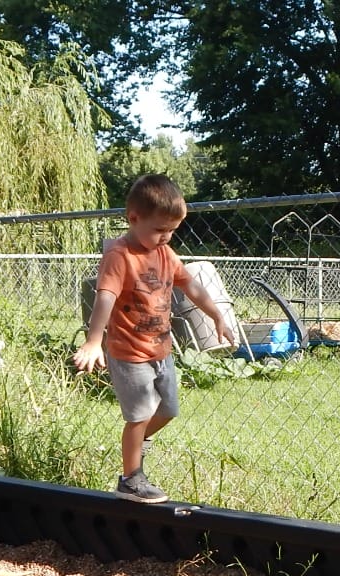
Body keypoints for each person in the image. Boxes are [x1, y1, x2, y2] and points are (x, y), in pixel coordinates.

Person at [72, 174, 235, 503]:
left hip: (161, 350)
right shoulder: (120, 255)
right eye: (160, 230)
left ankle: (132, 447)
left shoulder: (165, 254)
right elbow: (105, 297)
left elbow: (191, 286)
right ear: (134, 218)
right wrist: (93, 341)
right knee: (140, 414)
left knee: (168, 411)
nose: (166, 237)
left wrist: (216, 314)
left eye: (172, 230)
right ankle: (130, 479)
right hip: (129, 352)